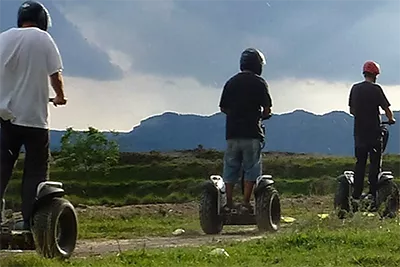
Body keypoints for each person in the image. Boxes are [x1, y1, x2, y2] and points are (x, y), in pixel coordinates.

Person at [0, 1, 67, 230]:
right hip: (34, 120)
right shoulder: (43, 38)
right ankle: (30, 223)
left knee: (2, 165)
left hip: (6, 118)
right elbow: (55, 74)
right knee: (35, 170)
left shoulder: (3, 38)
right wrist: (60, 96)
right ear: (42, 20)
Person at [219, 48, 272, 213]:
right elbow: (267, 109)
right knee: (251, 168)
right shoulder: (260, 82)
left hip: (232, 133)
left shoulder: (231, 82)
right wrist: (261, 116)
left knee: (230, 168)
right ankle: (246, 203)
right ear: (258, 65)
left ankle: (227, 203)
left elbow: (223, 107)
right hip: (252, 133)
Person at [348, 60, 395, 207]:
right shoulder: (376, 89)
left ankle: (356, 195)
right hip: (374, 132)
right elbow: (386, 108)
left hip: (359, 132)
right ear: (375, 75)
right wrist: (391, 118)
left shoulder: (355, 88)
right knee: (375, 162)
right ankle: (373, 194)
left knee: (360, 163)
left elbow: (352, 110)